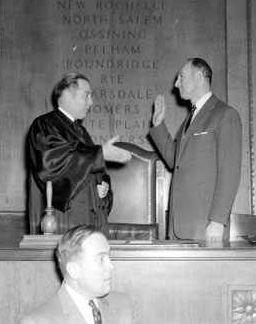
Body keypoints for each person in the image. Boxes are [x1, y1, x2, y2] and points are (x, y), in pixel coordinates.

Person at [149, 58, 242, 241]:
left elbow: (230, 173)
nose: (176, 84)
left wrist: (217, 220)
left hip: (205, 227)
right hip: (178, 227)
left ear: (199, 76)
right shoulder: (190, 119)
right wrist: (158, 125)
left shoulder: (225, 114)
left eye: (181, 77)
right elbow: (175, 161)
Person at [28, 72, 131, 234]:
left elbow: (91, 168)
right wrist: (100, 153)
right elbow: (53, 164)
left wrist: (102, 186)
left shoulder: (80, 130)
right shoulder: (45, 124)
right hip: (64, 219)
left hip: (87, 218)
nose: (91, 102)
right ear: (68, 95)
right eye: (87, 95)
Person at [19, 224, 138, 324]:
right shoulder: (38, 322)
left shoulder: (124, 305)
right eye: (101, 259)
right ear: (74, 270)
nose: (111, 266)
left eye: (109, 256)